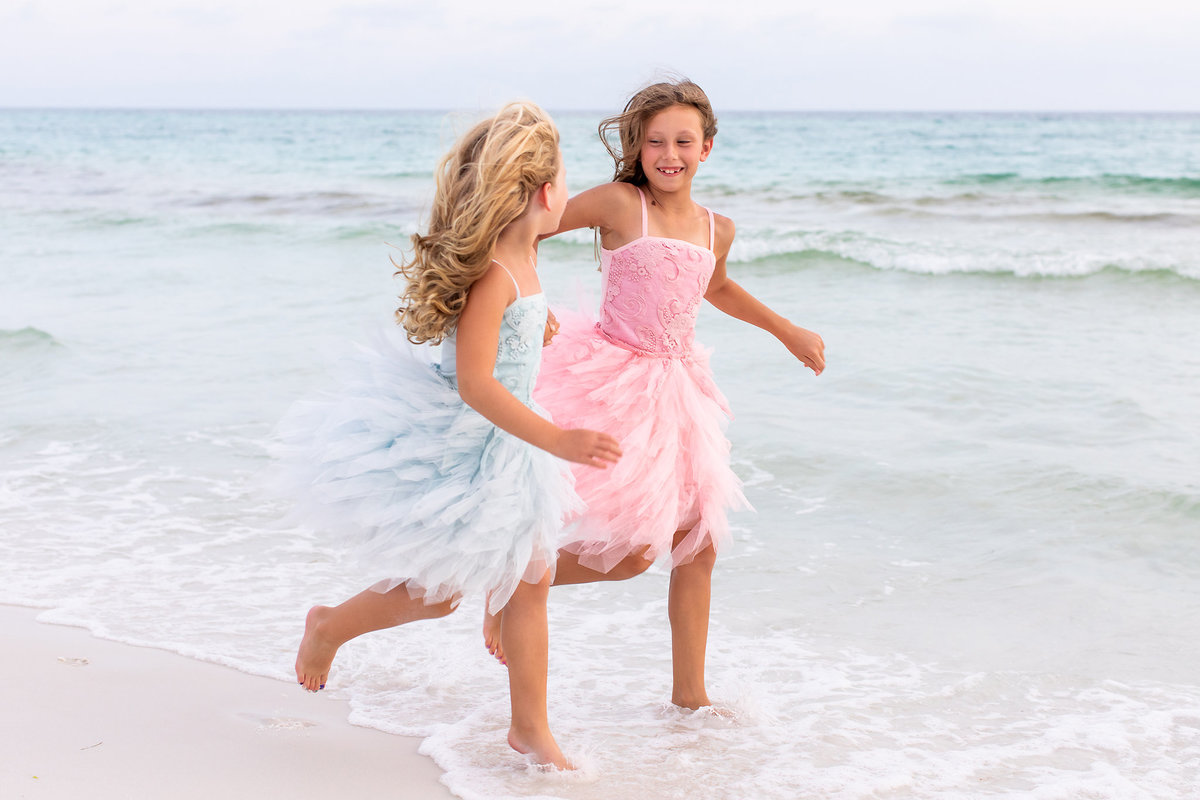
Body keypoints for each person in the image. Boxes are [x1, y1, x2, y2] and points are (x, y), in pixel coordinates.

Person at [277, 101, 622, 769]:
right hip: (473, 444)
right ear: (544, 192)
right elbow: (476, 384)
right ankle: (330, 625)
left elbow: (512, 337)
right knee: (435, 595)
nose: (569, 194)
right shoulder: (495, 272)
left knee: (531, 579)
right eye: (566, 180)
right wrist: (558, 439)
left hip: (512, 448)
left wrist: (540, 325)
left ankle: (529, 728)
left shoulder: (524, 257)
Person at [483, 79, 825, 711]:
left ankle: (690, 697)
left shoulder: (716, 228)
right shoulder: (619, 203)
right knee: (635, 552)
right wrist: (528, 306)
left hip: (681, 388)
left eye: (684, 141)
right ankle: (516, 578)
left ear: (707, 148)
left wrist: (786, 330)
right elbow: (528, 229)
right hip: (614, 378)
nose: (670, 153)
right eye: (655, 141)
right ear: (637, 148)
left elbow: (716, 288)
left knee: (700, 541)